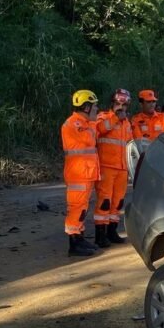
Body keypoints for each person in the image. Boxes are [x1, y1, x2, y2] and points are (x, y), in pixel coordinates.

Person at [61, 90, 100, 257]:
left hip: (85, 172)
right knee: (76, 208)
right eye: (95, 106)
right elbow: (89, 139)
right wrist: (94, 122)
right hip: (78, 173)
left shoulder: (84, 123)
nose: (97, 110)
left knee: (82, 208)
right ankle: (74, 244)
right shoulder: (74, 124)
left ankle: (79, 237)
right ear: (86, 107)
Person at [93, 88, 132, 248]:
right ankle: (100, 235)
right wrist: (116, 117)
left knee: (118, 202)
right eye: (118, 103)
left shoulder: (127, 123)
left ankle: (112, 231)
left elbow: (130, 144)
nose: (122, 106)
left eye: (124, 103)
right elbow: (100, 130)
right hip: (106, 167)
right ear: (113, 102)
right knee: (105, 201)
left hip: (122, 168)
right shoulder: (103, 116)